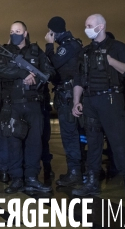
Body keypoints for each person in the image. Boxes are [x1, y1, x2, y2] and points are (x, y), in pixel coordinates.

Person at [71, 14, 125, 201]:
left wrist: (111, 61)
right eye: (86, 25)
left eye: (89, 25)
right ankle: (92, 182)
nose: (86, 28)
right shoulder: (84, 52)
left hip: (111, 100)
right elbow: (78, 79)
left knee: (119, 143)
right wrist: (76, 101)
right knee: (93, 144)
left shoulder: (118, 48)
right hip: (90, 102)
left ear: (101, 26)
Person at [0, 21, 55, 194]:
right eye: (12, 31)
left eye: (18, 31)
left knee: (34, 143)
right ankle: (16, 179)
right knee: (13, 143)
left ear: (25, 33)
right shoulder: (5, 52)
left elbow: (49, 72)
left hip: (33, 103)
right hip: (13, 104)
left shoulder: (36, 51)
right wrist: (22, 73)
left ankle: (32, 178)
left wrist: (35, 77)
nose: (15, 34)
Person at [44, 16, 83, 187]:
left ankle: (75, 172)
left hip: (68, 95)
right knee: (78, 135)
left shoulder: (68, 45)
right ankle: (81, 169)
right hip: (70, 94)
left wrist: (48, 45)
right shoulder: (73, 44)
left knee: (69, 135)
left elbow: (51, 64)